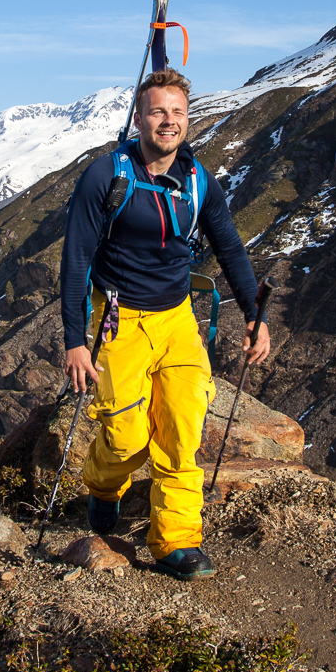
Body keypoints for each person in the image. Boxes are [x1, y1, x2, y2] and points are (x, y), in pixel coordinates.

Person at [59, 68, 271, 581]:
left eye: (177, 113)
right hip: (118, 318)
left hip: (177, 318)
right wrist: (74, 342)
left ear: (188, 120)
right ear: (139, 118)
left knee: (181, 428)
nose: (168, 122)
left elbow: (229, 247)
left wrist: (254, 313)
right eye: (158, 111)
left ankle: (175, 541)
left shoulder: (199, 181)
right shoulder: (105, 175)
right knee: (128, 437)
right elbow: (76, 259)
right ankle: (103, 484)